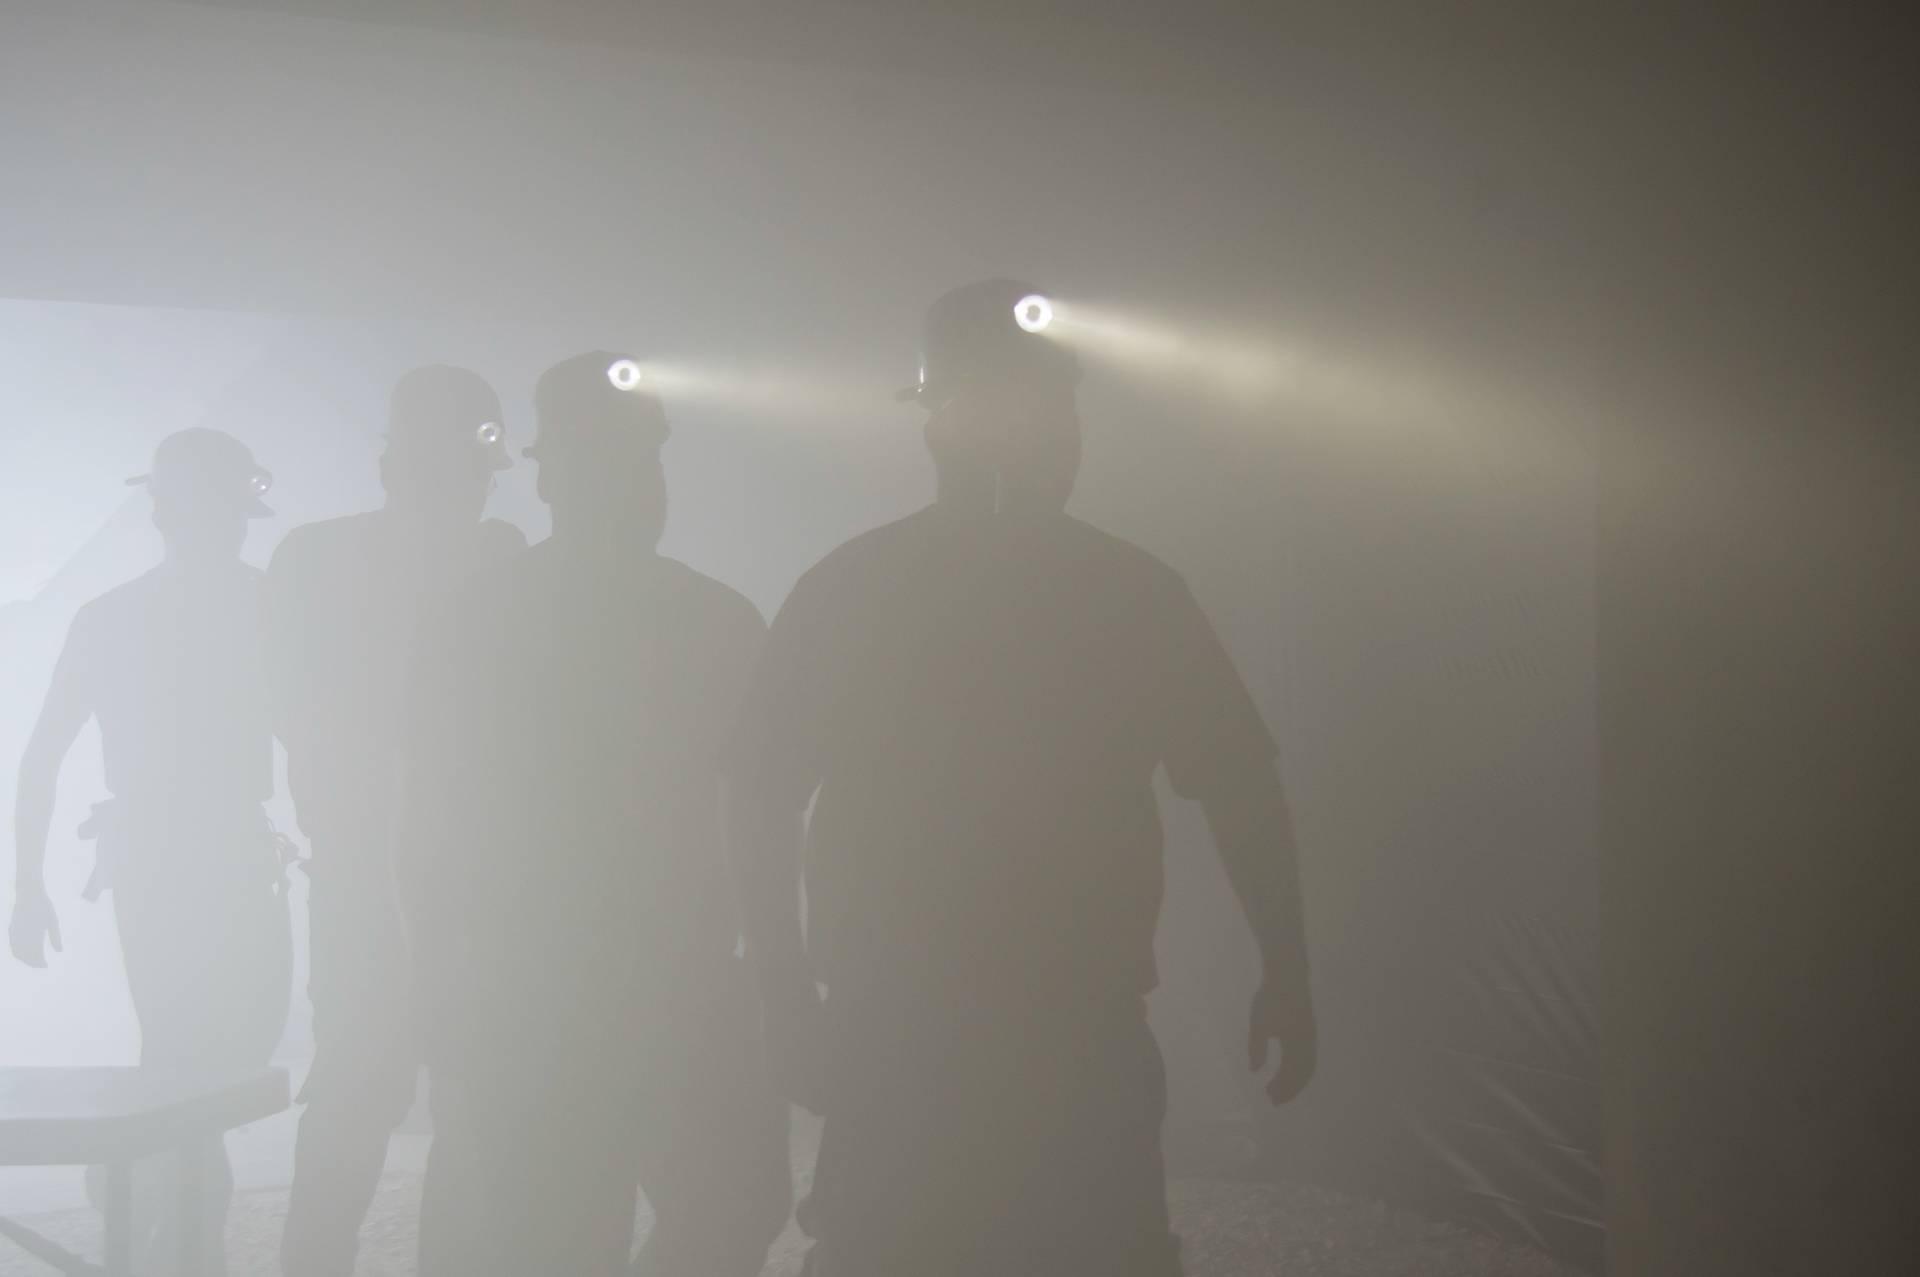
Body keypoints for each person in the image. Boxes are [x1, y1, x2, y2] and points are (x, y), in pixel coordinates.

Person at [726, 279, 1319, 1277]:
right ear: (961, 423)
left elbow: (758, 795)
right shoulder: (1127, 592)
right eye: (1048, 410)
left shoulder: (854, 587)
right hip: (1052, 1033)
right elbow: (1239, 788)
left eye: (1062, 411)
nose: (1064, 437)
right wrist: (1286, 968)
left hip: (921, 1031)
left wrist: (787, 996)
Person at [403, 352, 791, 1276]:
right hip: (568, 983)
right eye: (624, 462)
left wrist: (434, 975)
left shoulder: (487, 614)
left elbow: (425, 817)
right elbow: (430, 813)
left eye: (644, 461)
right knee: (588, 1229)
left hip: (615, 979)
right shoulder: (710, 617)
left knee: (705, 1208)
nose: (643, 486)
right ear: (555, 474)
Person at [9, 428, 294, 1276]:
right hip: (175, 859)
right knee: (193, 1066)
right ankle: (185, 1236)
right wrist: (26, 883)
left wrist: (31, 884)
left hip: (218, 853)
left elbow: (42, 757)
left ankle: (139, 1175)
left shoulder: (253, 606)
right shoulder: (211, 610)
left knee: (218, 1060)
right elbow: (42, 753)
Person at [263, 366, 525, 1277]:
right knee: (451, 1092)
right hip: (456, 878)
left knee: (369, 1091)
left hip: (392, 873)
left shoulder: (313, 556)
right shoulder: (501, 560)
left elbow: (285, 703)